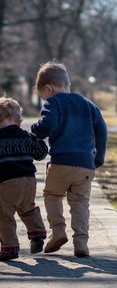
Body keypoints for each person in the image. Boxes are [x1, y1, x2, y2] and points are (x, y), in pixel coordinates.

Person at [31, 62, 107, 257]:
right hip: (85, 165)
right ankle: (81, 243)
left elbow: (47, 126)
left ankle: (57, 231)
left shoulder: (53, 102)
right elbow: (102, 130)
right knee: (81, 203)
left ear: (49, 89)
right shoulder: (88, 104)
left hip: (61, 162)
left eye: (42, 97)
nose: (44, 100)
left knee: (52, 195)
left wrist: (35, 130)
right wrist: (98, 158)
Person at [0, 97, 48, 261]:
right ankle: (37, 234)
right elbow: (41, 153)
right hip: (29, 181)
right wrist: (38, 140)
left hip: (7, 183)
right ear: (16, 118)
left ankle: (9, 247)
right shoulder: (26, 136)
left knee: (4, 215)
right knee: (27, 208)